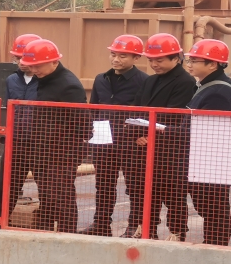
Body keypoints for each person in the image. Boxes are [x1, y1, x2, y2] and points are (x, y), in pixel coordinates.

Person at [19, 39, 91, 233]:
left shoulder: (68, 85)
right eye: (31, 66)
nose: (34, 70)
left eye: (38, 66)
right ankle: (45, 231)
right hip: (41, 151)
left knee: (62, 196)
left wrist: (62, 142)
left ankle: (68, 234)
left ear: (54, 61)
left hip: (61, 153)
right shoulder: (42, 79)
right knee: (47, 196)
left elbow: (83, 123)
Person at [128, 33, 196, 240]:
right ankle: (146, 228)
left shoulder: (185, 82)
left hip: (170, 150)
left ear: (176, 59)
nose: (154, 64)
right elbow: (138, 109)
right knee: (145, 191)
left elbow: (174, 115)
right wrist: (139, 134)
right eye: (151, 60)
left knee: (173, 193)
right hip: (145, 146)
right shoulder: (150, 81)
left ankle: (177, 232)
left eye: (159, 60)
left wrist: (153, 137)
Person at [80, 35, 148, 237]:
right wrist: (90, 134)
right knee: (104, 185)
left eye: (123, 56)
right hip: (103, 143)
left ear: (136, 58)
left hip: (131, 143)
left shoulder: (144, 81)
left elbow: (146, 111)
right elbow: (94, 108)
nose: (116, 59)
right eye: (113, 54)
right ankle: (101, 225)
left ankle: (134, 227)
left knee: (135, 187)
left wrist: (141, 135)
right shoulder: (101, 79)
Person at [184, 39, 231, 246]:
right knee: (208, 205)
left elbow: (204, 129)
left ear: (213, 64)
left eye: (195, 60)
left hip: (214, 161)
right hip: (207, 159)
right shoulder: (207, 86)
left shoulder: (219, 92)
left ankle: (216, 245)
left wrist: (166, 131)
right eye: (189, 60)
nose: (189, 64)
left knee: (213, 206)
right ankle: (213, 243)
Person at [4, 33, 41, 218]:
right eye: (18, 58)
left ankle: (49, 225)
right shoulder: (11, 80)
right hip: (16, 142)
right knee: (9, 185)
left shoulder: (46, 81)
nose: (21, 62)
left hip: (41, 144)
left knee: (46, 186)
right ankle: (1, 220)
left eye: (25, 58)